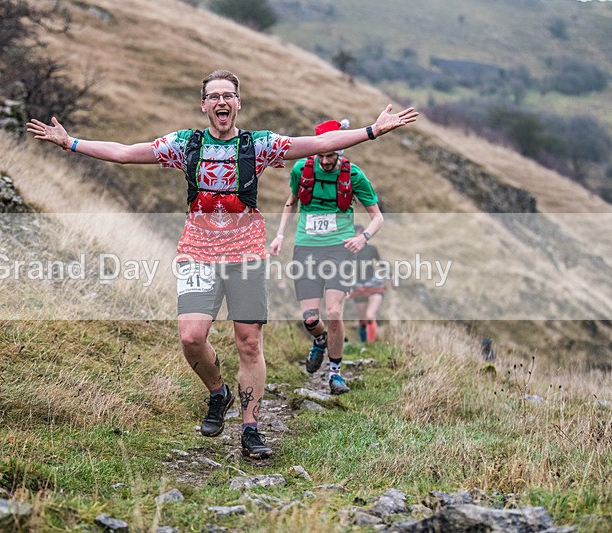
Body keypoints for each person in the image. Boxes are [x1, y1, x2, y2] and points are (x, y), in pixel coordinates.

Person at [27, 70, 418, 459]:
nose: (221, 102)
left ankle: (250, 428)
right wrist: (70, 143)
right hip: (197, 251)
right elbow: (127, 153)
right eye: (213, 96)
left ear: (238, 102)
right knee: (190, 337)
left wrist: (371, 131)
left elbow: (318, 142)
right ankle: (219, 393)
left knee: (248, 343)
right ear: (203, 105)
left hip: (246, 253)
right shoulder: (185, 145)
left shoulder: (259, 145)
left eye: (228, 95)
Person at [269, 120, 383, 394]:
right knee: (310, 318)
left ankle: (335, 374)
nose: (326, 160)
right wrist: (280, 235)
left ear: (340, 152)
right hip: (306, 248)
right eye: (322, 154)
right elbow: (292, 201)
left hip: (339, 249)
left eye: (331, 155)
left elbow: (377, 217)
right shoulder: (301, 170)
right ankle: (319, 340)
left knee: (333, 312)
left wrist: (362, 237)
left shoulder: (353, 175)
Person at [348, 223, 387, 343]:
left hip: (374, 285)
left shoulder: (371, 249)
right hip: (358, 286)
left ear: (360, 232)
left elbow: (381, 264)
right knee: (362, 319)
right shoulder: (350, 251)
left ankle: (371, 344)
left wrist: (392, 276)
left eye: (354, 233)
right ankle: (363, 344)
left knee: (370, 315)